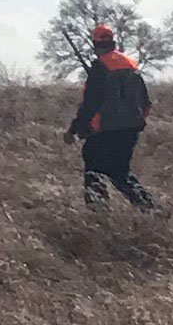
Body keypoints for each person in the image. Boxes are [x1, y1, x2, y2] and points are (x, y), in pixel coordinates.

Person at [62, 24, 165, 213]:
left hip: (107, 130)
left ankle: (98, 213)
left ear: (95, 44)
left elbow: (91, 103)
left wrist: (74, 129)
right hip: (131, 128)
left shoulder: (100, 67)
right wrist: (139, 121)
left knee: (94, 168)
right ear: (113, 42)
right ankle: (150, 208)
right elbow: (145, 99)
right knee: (120, 171)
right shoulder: (130, 64)